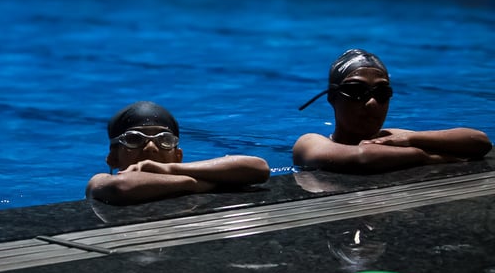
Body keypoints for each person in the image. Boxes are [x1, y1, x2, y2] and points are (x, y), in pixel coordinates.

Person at [294, 49, 492, 174]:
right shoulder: (309, 143)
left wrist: (412, 139)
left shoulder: (392, 137)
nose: (372, 103)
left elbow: (479, 141)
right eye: (356, 91)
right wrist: (427, 156)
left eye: (382, 92)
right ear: (332, 98)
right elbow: (362, 157)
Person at [86, 101, 270, 205]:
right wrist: (193, 183)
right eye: (134, 140)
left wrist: (168, 170)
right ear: (112, 157)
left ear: (178, 156)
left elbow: (259, 167)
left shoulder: (177, 168)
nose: (150, 146)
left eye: (164, 140)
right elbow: (122, 186)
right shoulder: (100, 180)